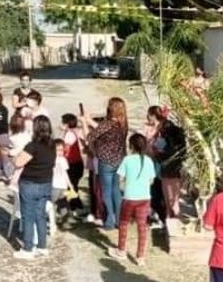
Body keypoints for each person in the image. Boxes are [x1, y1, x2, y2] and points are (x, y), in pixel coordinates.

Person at [109, 133, 157, 266]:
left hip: (129, 197)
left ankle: (121, 251)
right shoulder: (148, 161)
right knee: (142, 227)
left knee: (123, 223)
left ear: (131, 145)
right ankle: (140, 257)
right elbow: (151, 181)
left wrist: (124, 186)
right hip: (144, 198)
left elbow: (120, 179)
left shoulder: (127, 160)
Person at [13, 116, 57, 260]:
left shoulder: (32, 146)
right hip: (46, 183)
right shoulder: (52, 146)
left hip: (30, 184)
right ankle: (42, 246)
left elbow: (18, 163)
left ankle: (27, 248)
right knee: (41, 216)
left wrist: (14, 155)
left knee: (28, 216)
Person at [84, 97, 128, 230]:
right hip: (118, 161)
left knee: (106, 192)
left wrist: (85, 122)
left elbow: (90, 136)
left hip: (106, 161)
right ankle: (120, 219)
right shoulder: (123, 123)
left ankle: (110, 218)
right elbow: (102, 128)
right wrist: (90, 120)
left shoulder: (107, 124)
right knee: (116, 190)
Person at [147, 106, 187, 234]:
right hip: (167, 170)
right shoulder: (170, 134)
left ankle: (173, 225)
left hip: (170, 170)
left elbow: (165, 151)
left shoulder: (169, 135)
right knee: (169, 199)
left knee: (171, 200)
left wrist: (157, 154)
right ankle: (169, 224)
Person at [60, 113, 86, 213]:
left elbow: (66, 149)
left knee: (70, 185)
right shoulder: (72, 132)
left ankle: (73, 205)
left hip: (72, 164)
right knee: (73, 185)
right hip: (76, 163)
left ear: (66, 124)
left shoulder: (69, 135)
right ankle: (77, 204)